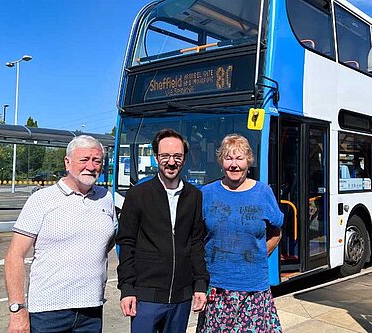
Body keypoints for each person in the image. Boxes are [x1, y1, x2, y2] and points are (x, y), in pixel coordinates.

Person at [5, 135, 117, 333]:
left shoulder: (106, 198)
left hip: (91, 311)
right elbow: (14, 256)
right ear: (67, 162)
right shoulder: (41, 200)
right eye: (84, 160)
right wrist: (17, 310)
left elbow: (106, 243)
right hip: (48, 313)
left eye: (97, 160)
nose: (91, 166)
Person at [116, 128, 208, 333]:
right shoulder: (138, 195)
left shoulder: (194, 196)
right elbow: (127, 243)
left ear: (184, 159)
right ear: (156, 157)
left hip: (182, 297)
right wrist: (127, 289)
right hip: (146, 296)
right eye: (165, 156)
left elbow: (196, 242)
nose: (171, 162)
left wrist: (200, 284)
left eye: (177, 156)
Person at [198, 133, 283, 332]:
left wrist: (261, 254)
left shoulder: (263, 193)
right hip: (217, 287)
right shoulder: (207, 193)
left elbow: (276, 232)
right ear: (221, 162)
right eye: (228, 158)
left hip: (253, 287)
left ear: (248, 161)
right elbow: (196, 237)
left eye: (239, 158)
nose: (234, 164)